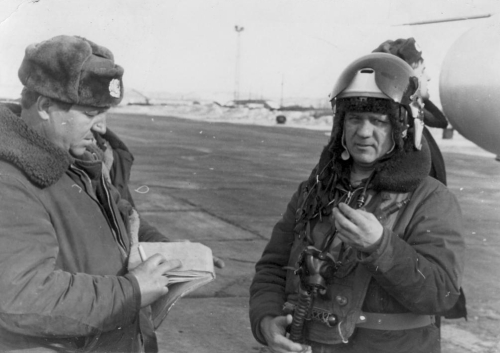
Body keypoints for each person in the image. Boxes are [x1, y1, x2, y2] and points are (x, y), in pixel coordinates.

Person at [249, 53, 465, 353]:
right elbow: (272, 268)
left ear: (402, 128)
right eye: (355, 118)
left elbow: (442, 293)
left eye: (379, 121)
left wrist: (381, 247)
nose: (364, 132)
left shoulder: (431, 199)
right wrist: (266, 321)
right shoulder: (313, 191)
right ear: (341, 124)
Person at [0, 35, 181, 352]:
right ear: (45, 107)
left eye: (105, 113)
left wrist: (174, 251)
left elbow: (121, 218)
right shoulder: (9, 179)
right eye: (89, 113)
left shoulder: (76, 159)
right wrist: (132, 291)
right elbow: (21, 296)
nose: (101, 128)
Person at [372, 37, 467, 323]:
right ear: (410, 74)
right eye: (422, 70)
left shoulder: (414, 130)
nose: (427, 77)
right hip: (405, 281)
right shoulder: (406, 139)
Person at [372, 37, 449, 185]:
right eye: (422, 71)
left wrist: (414, 97)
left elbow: (440, 121)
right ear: (408, 78)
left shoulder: (412, 119)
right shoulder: (402, 130)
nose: (428, 77)